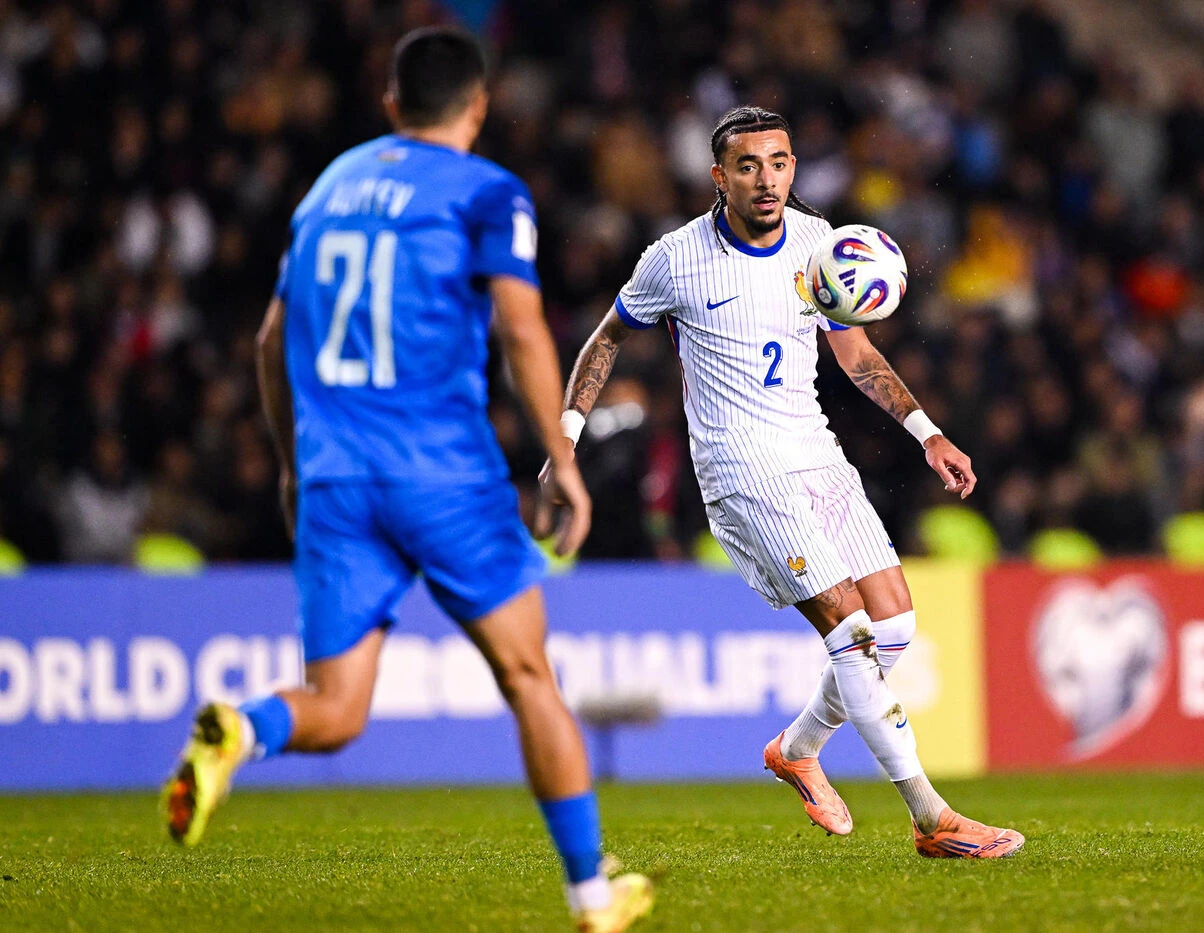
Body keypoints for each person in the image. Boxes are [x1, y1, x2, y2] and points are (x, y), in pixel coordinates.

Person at [159, 28, 654, 932]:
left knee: (337, 708)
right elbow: (523, 329)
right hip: (442, 475)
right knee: (528, 674)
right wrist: (563, 458)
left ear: (391, 104)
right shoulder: (487, 190)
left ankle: (243, 727)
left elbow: (272, 341)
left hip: (335, 477)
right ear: (478, 106)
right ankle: (593, 894)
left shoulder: (330, 186)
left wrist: (289, 462)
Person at [545, 106, 1023, 859]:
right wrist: (565, 438)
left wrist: (928, 433)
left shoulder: (818, 243)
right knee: (851, 630)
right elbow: (606, 340)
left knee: (894, 625)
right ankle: (933, 816)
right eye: (748, 165)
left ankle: (796, 749)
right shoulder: (674, 258)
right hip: (740, 466)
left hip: (815, 452)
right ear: (718, 176)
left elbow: (857, 357)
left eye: (780, 162)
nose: (767, 180)